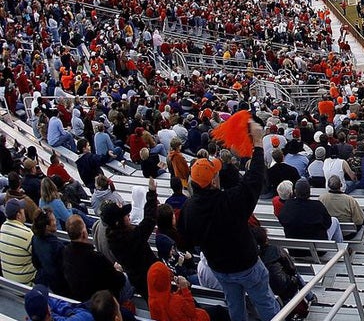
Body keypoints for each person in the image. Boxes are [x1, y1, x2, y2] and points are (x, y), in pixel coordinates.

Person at [177, 117, 281, 321]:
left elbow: (187, 242)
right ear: (213, 180)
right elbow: (255, 177)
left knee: (235, 306)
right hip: (246, 265)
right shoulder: (230, 201)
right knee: (265, 302)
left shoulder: (188, 208)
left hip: (219, 268)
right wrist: (258, 143)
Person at [101, 178, 158, 299]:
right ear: (118, 222)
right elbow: (149, 220)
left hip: (138, 281)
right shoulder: (130, 238)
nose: (128, 217)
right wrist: (152, 193)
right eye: (125, 216)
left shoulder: (113, 237)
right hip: (151, 278)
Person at [61, 215, 130, 304]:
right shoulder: (95, 257)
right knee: (128, 277)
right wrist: (118, 271)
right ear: (84, 233)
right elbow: (119, 281)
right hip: (103, 299)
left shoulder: (66, 252)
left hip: (85, 296)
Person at [278, 178, 343, 242]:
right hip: (319, 249)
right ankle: (341, 248)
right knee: (335, 220)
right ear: (309, 192)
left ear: (295, 191)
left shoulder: (287, 205)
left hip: (294, 249)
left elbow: (282, 220)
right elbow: (328, 223)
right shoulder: (317, 205)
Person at [31, 207, 69, 295]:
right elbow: (64, 272)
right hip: (59, 287)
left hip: (47, 281)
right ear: (47, 226)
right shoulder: (57, 247)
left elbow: (35, 262)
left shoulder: (34, 238)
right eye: (54, 220)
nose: (56, 222)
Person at [0, 197, 36, 283]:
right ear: (18, 215)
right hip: (26, 283)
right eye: (23, 210)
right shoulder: (26, 233)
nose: (25, 212)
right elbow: (38, 256)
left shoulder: (3, 227)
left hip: (9, 281)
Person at [23, 284, 93, 321]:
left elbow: (49, 300)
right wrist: (70, 312)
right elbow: (87, 315)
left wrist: (68, 311)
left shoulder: (33, 315)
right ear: (49, 312)